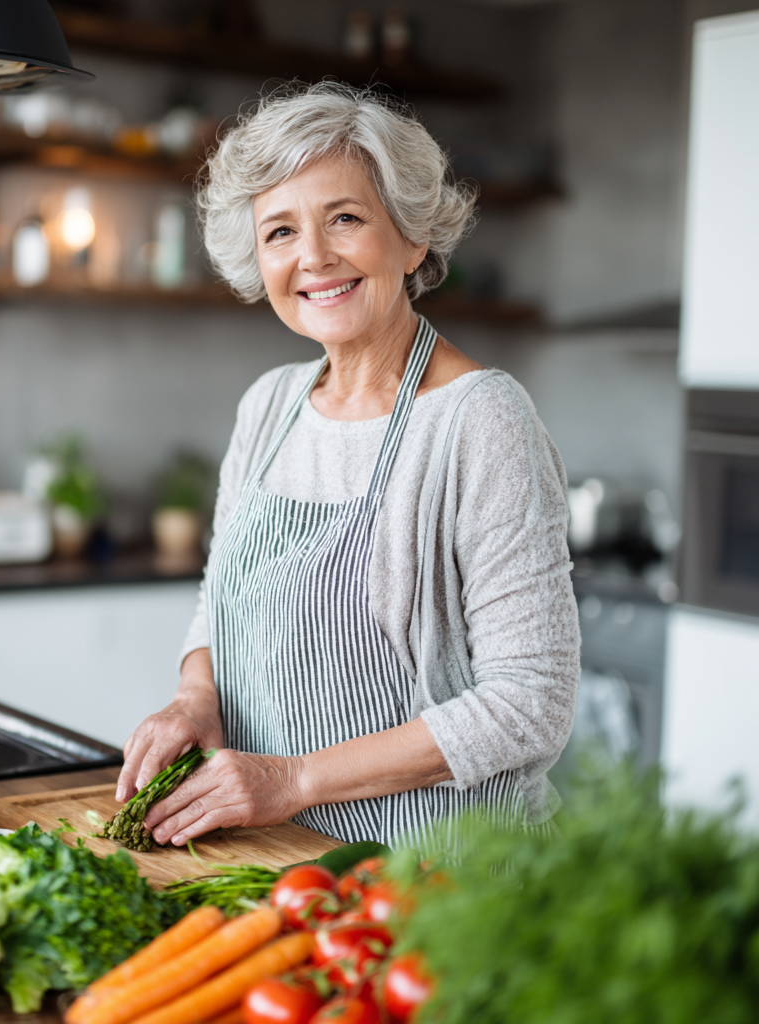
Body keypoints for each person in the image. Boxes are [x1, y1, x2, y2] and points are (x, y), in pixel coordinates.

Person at [118, 82, 580, 849]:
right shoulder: (269, 406)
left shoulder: (478, 419)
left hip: (443, 883)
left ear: (411, 238)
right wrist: (196, 697)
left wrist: (292, 779)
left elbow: (530, 702)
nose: (314, 258)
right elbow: (221, 605)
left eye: (345, 218)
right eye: (280, 232)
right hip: (283, 860)